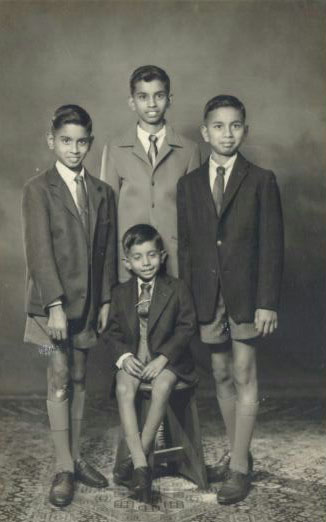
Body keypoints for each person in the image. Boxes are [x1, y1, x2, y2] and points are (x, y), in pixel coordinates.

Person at [177, 95, 284, 504]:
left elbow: (272, 246)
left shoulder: (261, 179)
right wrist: (188, 303)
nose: (227, 133)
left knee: (243, 372)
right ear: (205, 133)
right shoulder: (188, 185)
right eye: (218, 126)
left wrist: (267, 301)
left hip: (245, 296)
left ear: (245, 130)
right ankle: (241, 453)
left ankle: (238, 468)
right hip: (207, 297)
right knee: (219, 374)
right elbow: (187, 249)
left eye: (235, 125)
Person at [22, 104, 117, 507]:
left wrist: (108, 297)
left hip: (89, 306)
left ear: (90, 144)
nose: (74, 149)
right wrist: (55, 305)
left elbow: (108, 250)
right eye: (66, 141)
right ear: (51, 141)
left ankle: (75, 458)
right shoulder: (38, 190)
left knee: (80, 376)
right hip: (51, 309)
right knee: (58, 374)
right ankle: (64, 467)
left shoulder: (102, 192)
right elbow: (39, 252)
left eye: (81, 142)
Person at [105, 224, 196, 502]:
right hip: (135, 359)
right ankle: (143, 467)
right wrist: (124, 356)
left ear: (163, 256)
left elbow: (187, 326)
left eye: (152, 255)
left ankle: (136, 462)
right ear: (127, 262)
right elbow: (113, 331)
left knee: (162, 385)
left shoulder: (177, 288)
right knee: (123, 388)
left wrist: (164, 357)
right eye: (137, 257)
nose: (146, 263)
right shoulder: (121, 293)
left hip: (169, 362)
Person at [100, 65, 200, 281]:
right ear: (132, 102)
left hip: (174, 263)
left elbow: (194, 217)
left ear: (170, 99)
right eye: (143, 97)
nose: (152, 104)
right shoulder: (115, 149)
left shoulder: (190, 150)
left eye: (159, 96)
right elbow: (106, 216)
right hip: (128, 262)